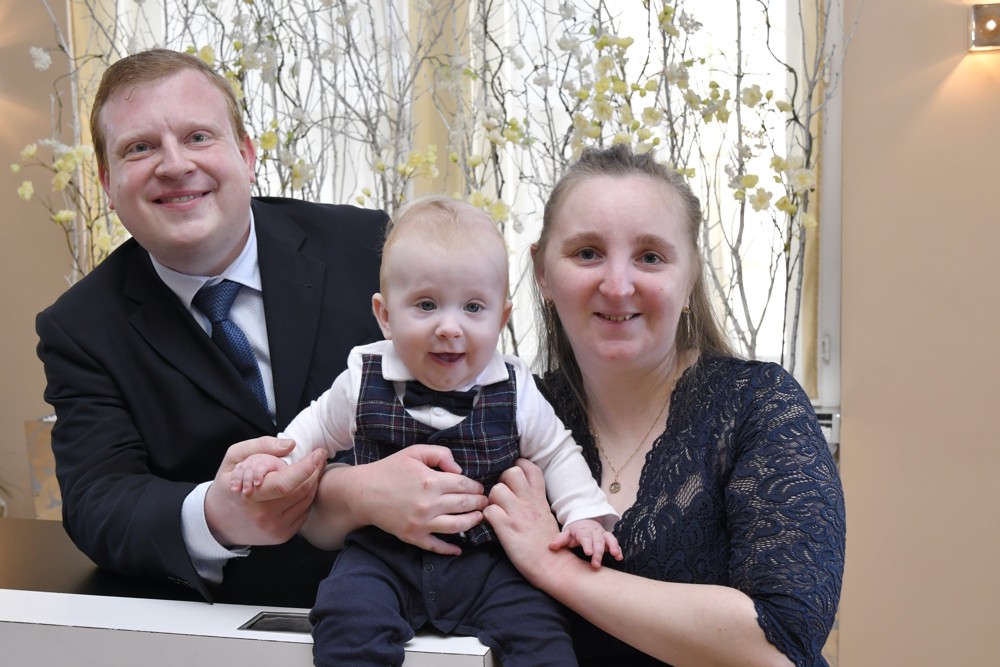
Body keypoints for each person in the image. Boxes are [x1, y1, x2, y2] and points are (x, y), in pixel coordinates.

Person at [34, 48, 488, 608]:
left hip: (424, 594)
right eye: (140, 148)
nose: (174, 165)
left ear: (247, 155)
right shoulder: (79, 328)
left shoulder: (364, 246)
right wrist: (215, 514)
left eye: (198, 137)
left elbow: (469, 383)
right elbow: (98, 502)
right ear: (107, 183)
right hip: (225, 622)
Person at [481, 144, 847, 666]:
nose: (617, 285)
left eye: (650, 257)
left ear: (690, 275)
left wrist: (554, 566)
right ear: (543, 272)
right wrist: (358, 495)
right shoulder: (509, 413)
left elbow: (779, 646)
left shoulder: (757, 404)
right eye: (587, 253)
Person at [232, 195, 620, 666]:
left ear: (501, 319)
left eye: (473, 307)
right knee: (343, 615)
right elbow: (312, 430)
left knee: (541, 631)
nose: (450, 327)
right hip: (382, 555)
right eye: (427, 304)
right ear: (385, 316)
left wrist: (582, 515)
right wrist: (273, 460)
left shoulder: (515, 388)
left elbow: (557, 453)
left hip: (488, 561)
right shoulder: (361, 378)